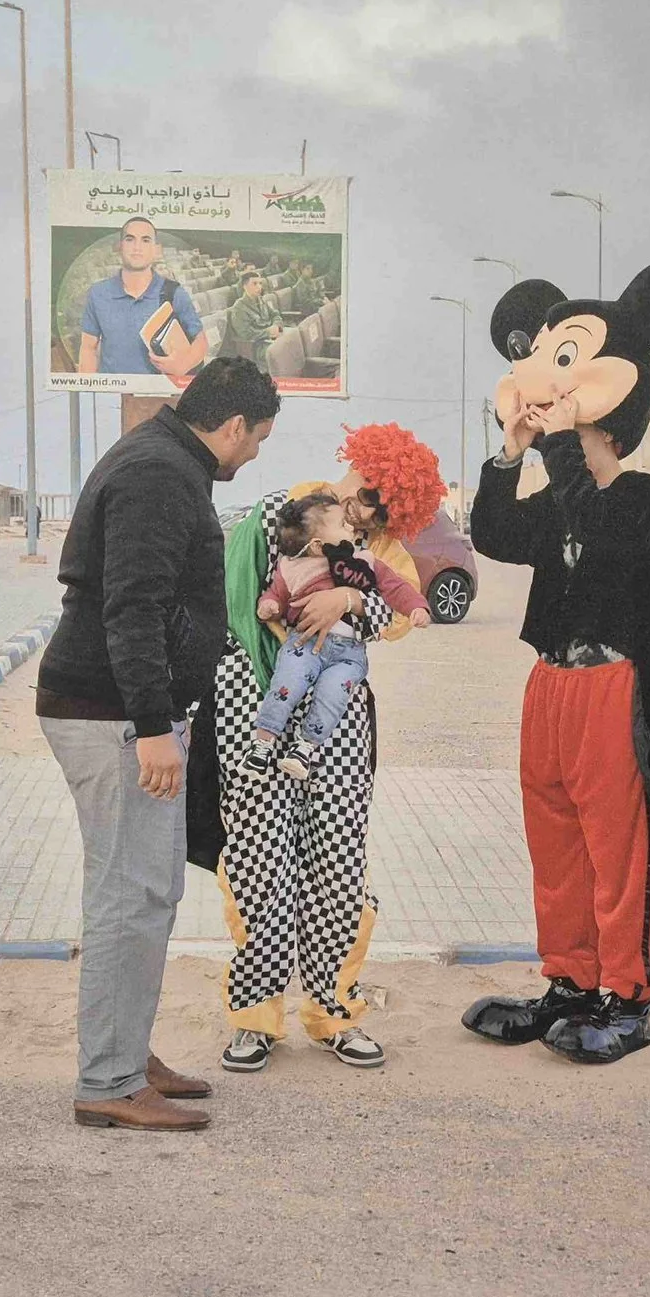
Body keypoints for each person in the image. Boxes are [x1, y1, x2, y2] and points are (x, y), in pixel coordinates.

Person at [33, 356, 281, 1132]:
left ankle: (128, 1054)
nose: (255, 454)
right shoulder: (158, 473)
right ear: (234, 425)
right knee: (128, 895)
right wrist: (150, 726)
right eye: (259, 439)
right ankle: (107, 1078)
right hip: (111, 713)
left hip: (129, 711)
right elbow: (132, 607)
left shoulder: (167, 461)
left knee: (150, 891)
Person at [460, 261, 650, 1065]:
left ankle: (628, 994)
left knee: (619, 849)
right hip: (552, 684)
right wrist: (509, 454)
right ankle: (571, 979)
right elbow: (493, 534)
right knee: (557, 843)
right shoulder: (559, 497)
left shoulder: (640, 497)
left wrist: (558, 438)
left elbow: (598, 525)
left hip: (615, 687)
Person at [210, 423, 445, 1074]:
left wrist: (349, 596)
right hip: (255, 711)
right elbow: (235, 604)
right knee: (258, 866)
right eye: (368, 495)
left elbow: (398, 616)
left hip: (336, 731)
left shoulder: (384, 552)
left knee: (338, 869)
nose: (368, 514)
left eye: (387, 511)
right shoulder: (273, 514)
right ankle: (255, 1019)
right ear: (358, 466)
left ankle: (333, 1013)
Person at [244, 492, 430, 781]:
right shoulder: (292, 567)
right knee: (286, 684)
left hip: (348, 654)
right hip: (303, 644)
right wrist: (269, 606)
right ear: (318, 545)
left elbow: (395, 587)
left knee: (332, 696)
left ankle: (305, 747)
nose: (352, 528)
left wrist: (416, 606)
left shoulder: (364, 561)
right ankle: (263, 743)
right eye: (343, 525)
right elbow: (276, 594)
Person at [79, 216, 206, 379]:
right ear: (120, 246)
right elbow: (88, 348)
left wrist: (184, 364)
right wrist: (87, 388)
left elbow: (200, 341)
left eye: (145, 240)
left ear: (156, 249)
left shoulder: (174, 293)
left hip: (160, 390)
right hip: (114, 391)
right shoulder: (98, 293)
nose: (137, 247)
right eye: (130, 239)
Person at [222, 271, 284, 372]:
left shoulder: (261, 300)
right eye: (254, 283)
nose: (259, 287)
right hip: (256, 346)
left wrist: (276, 326)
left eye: (260, 283)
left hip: (271, 339)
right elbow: (245, 334)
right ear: (245, 286)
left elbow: (275, 314)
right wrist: (268, 332)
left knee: (292, 343)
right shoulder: (239, 308)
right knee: (283, 352)